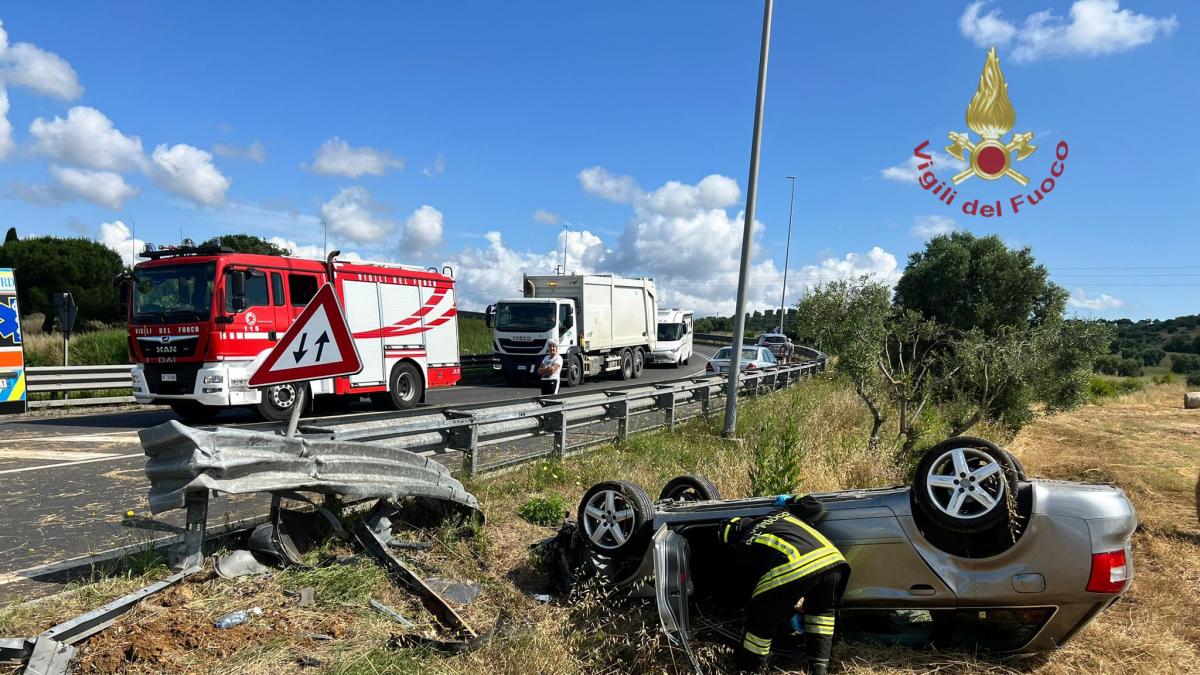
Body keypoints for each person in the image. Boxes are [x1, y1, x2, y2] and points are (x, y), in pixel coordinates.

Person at [719, 495, 850, 674]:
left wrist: (771, 611)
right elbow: (815, 506)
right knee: (821, 616)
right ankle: (819, 669)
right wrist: (791, 499)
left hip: (796, 566)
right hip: (833, 560)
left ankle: (750, 670)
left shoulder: (744, 543)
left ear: (734, 538)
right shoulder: (780, 513)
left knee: (758, 628)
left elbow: (753, 589)